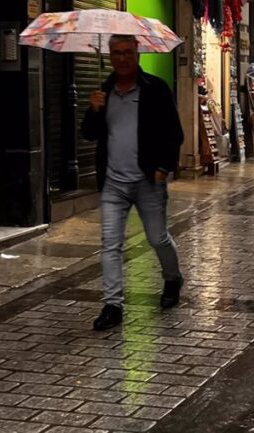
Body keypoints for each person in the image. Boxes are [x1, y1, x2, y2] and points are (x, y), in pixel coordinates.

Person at [81, 34, 185, 330]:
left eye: (127, 52)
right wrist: (94, 110)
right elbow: (88, 134)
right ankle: (113, 305)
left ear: (138, 54)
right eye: (116, 53)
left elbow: (173, 133)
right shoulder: (104, 91)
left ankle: (172, 279)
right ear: (110, 56)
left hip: (148, 180)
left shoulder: (156, 89)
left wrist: (164, 167)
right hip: (113, 183)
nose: (122, 58)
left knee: (157, 238)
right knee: (110, 244)